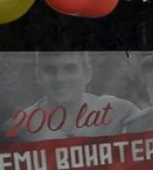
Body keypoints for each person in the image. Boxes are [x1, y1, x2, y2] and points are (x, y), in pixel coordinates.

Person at [2, 51, 141, 143]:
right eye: (50, 70)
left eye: (70, 69)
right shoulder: (18, 126)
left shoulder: (121, 112)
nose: (60, 79)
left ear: (87, 73)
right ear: (38, 76)